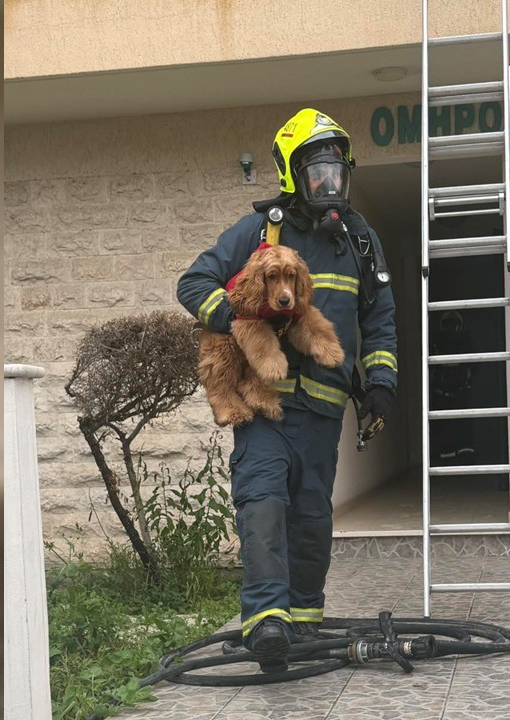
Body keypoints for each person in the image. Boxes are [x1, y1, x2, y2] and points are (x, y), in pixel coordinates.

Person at [177, 108, 399, 673]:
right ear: (292, 175)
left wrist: (381, 384)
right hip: (263, 411)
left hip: (323, 412)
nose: (329, 184)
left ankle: (304, 622)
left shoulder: (360, 239)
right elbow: (193, 282)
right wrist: (241, 321)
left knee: (311, 519)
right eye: (317, 173)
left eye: (336, 172)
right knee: (263, 505)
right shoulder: (261, 232)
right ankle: (266, 622)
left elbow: (380, 318)